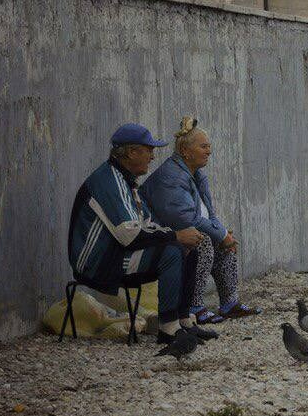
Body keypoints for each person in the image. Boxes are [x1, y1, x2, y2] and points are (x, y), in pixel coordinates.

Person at [67, 123, 214, 347]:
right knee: (173, 252)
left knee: (186, 249)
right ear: (132, 152)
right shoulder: (109, 180)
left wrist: (178, 236)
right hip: (97, 262)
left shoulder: (126, 180)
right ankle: (168, 328)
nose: (153, 157)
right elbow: (130, 234)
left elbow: (147, 223)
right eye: (149, 150)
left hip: (116, 252)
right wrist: (175, 235)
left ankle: (184, 320)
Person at [142, 117, 260, 325]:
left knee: (221, 239)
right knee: (202, 240)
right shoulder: (171, 178)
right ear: (185, 151)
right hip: (159, 238)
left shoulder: (196, 175)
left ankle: (229, 304)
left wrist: (223, 234)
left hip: (183, 232)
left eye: (209, 146)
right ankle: (193, 306)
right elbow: (187, 220)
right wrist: (220, 234)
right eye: (204, 146)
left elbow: (209, 215)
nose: (209, 151)